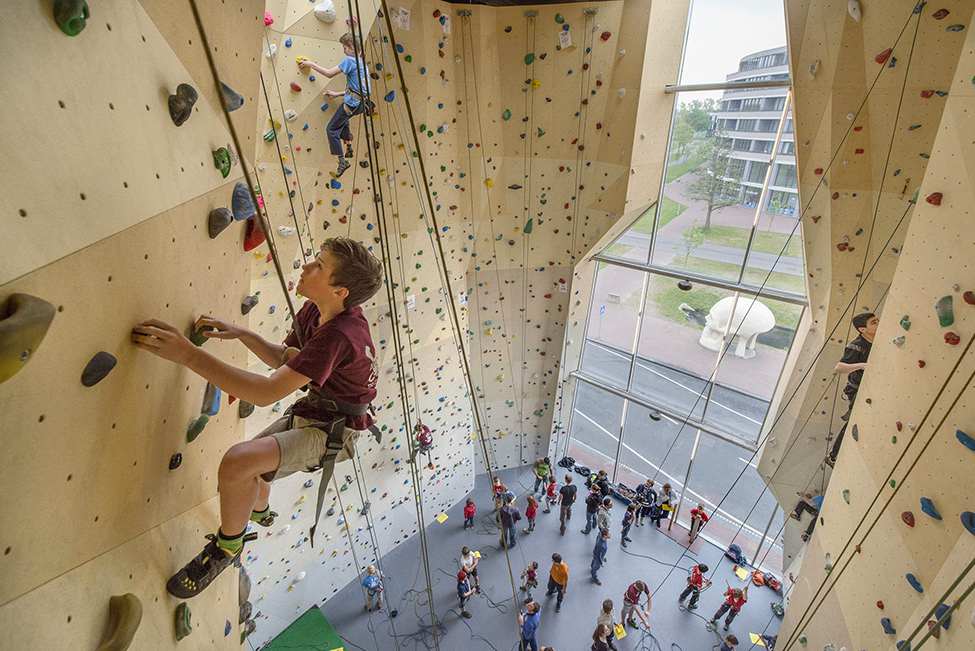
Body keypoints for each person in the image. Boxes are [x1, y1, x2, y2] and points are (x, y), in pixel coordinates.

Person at [133, 238, 384, 599]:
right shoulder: (319, 310)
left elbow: (265, 394)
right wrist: (243, 334)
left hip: (335, 431)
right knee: (255, 468)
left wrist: (186, 355)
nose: (306, 267)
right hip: (320, 411)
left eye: (318, 266)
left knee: (239, 462)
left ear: (339, 290)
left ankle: (227, 547)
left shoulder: (338, 336)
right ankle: (261, 511)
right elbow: (288, 359)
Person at [297, 33, 372, 178]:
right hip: (361, 104)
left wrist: (310, 64)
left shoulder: (350, 60)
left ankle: (342, 161)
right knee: (343, 119)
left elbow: (329, 73)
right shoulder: (362, 64)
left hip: (353, 103)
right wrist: (338, 94)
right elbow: (360, 89)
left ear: (351, 48)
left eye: (344, 48)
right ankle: (349, 147)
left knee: (331, 129)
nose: (343, 51)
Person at [828, 312, 878, 465]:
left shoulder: (878, 339)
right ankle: (834, 456)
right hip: (858, 390)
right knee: (853, 420)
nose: (878, 324)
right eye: (873, 322)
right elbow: (839, 368)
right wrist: (861, 365)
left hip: (869, 386)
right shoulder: (857, 346)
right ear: (863, 329)